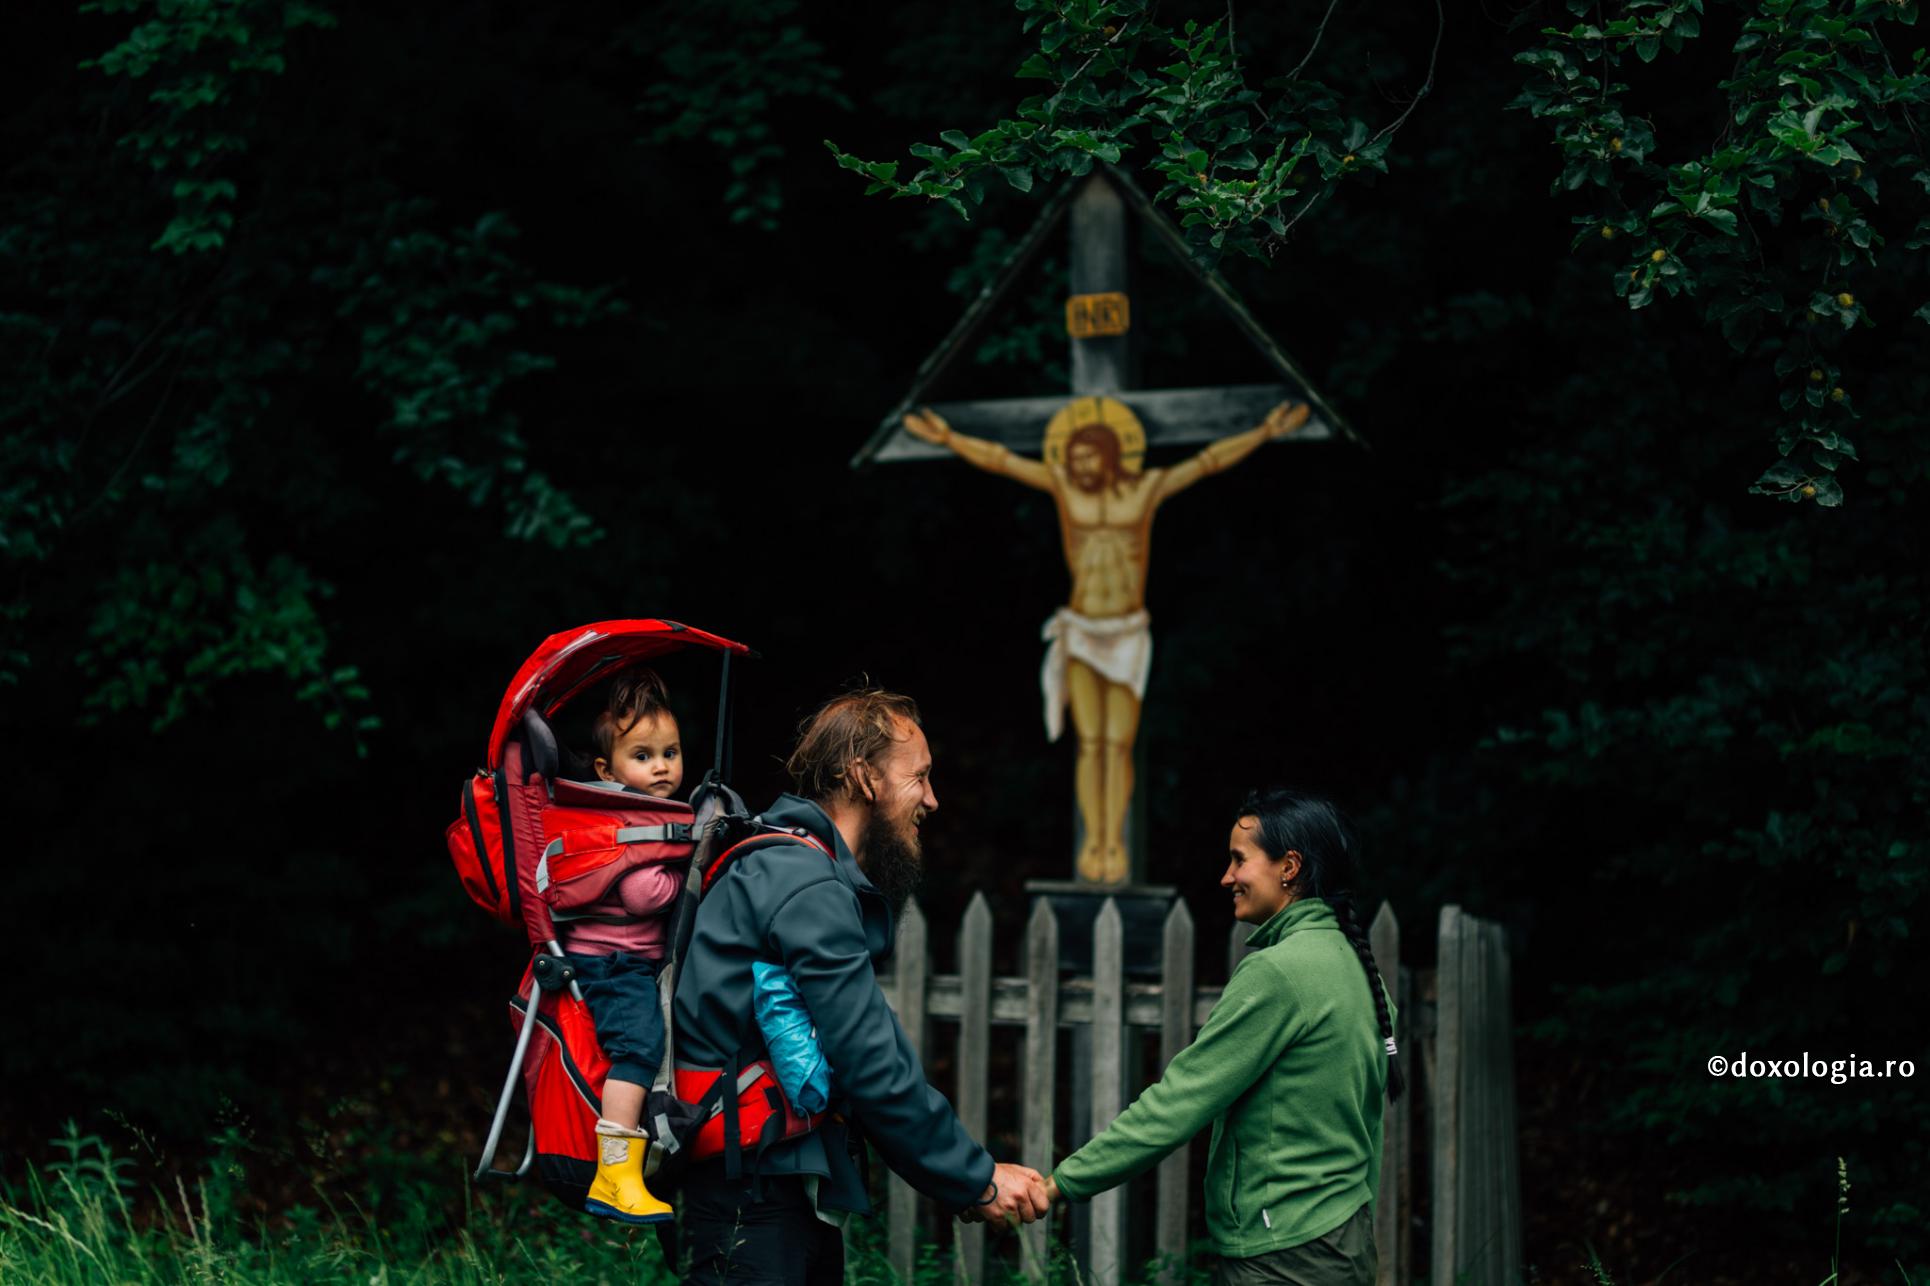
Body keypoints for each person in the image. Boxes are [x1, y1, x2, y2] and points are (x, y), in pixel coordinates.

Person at [673, 687, 1050, 1286]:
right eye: (918, 777)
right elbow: (868, 1057)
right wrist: (974, 1177)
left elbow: (860, 1054)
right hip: (756, 1196)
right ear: (862, 777)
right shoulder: (806, 884)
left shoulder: (790, 866)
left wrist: (964, 1174)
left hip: (768, 1183)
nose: (932, 798)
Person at [901, 399, 1310, 883]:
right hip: (1082, 629)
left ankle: (1112, 840)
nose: (1078, 468)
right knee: (1090, 744)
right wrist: (948, 438)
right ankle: (1093, 840)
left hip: (1126, 632)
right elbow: (1001, 459)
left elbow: (1208, 461)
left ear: (1111, 455)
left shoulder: (1146, 489)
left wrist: (1264, 431)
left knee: (1118, 743)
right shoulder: (1065, 489)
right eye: (1073, 461)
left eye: (1087, 459)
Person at [1044, 789, 1403, 1286]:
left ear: (1289, 866)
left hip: (1282, 1254)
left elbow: (1179, 1102)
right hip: (1344, 1240)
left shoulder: (1280, 973)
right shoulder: (1359, 970)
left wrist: (1058, 1184)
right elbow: (1368, 1130)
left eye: (1239, 860)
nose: (1226, 877)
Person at [562, 670, 687, 1224]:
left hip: (622, 959)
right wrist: (687, 879)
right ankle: (614, 1173)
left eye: (670, 752)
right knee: (638, 1047)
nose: (661, 766)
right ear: (606, 770)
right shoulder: (620, 819)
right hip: (611, 964)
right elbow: (641, 892)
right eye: (643, 756)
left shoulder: (640, 812)